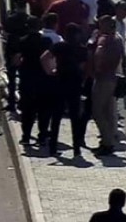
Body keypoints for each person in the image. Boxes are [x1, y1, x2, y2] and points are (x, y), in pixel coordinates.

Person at [41, 23, 87, 157]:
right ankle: (76, 148)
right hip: (75, 84)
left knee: (56, 116)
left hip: (60, 81)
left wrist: (50, 71)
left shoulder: (59, 46)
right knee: (75, 117)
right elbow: (83, 67)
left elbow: (44, 57)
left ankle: (53, 147)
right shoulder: (82, 49)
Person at [92, 15, 125, 156]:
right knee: (109, 111)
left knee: (97, 111)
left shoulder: (104, 39)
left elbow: (98, 55)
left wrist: (97, 70)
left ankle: (106, 142)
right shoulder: (118, 39)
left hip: (103, 78)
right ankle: (109, 139)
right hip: (114, 77)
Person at [16, 16, 52, 145]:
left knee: (27, 110)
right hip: (43, 78)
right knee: (44, 109)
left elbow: (16, 60)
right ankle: (42, 136)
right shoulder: (46, 41)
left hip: (27, 79)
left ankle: (26, 136)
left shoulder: (22, 41)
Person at [2, 0, 31, 112]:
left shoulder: (10, 19)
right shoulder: (29, 19)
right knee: (25, 78)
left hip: (12, 50)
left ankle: (12, 103)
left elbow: (5, 34)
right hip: (25, 52)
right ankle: (24, 102)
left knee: (12, 78)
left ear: (15, 5)